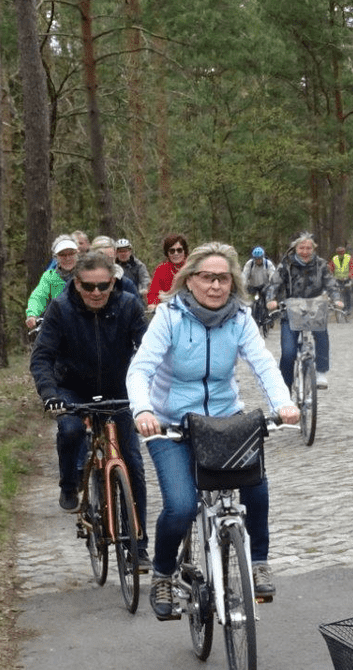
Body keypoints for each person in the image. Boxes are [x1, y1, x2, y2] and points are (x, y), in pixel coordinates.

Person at [126, 242, 300, 620]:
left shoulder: (240, 318)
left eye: (223, 278)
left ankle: (258, 561)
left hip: (225, 420)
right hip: (170, 423)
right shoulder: (169, 317)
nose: (216, 286)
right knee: (181, 506)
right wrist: (143, 410)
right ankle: (163, 573)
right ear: (189, 280)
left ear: (233, 282)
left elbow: (263, 364)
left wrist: (283, 403)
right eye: (207, 277)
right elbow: (140, 370)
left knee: (256, 487)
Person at [29, 251, 150, 569]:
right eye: (88, 286)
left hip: (118, 389)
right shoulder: (60, 308)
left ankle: (138, 545)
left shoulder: (128, 305)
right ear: (76, 283)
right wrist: (50, 394)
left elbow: (149, 349)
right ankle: (69, 484)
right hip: (73, 387)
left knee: (132, 461)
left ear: (112, 282)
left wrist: (150, 388)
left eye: (103, 286)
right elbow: (42, 357)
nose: (96, 293)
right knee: (70, 429)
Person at [266, 233, 342, 390]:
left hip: (315, 308)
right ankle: (285, 389)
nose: (305, 251)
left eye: (309, 248)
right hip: (291, 309)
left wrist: (336, 299)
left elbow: (331, 283)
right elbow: (274, 283)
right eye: (301, 248)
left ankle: (321, 372)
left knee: (321, 336)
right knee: (288, 352)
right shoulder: (286, 264)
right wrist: (271, 299)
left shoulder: (321, 264)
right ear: (295, 248)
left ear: (314, 249)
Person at [25, 236, 78, 329]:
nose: (67, 258)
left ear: (77, 254)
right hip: (58, 324)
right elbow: (39, 295)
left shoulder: (87, 273)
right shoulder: (49, 276)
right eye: (62, 255)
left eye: (71, 254)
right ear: (56, 257)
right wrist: (32, 314)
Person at [90, 236, 142, 305]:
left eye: (110, 259)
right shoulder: (83, 282)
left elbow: (137, 307)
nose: (107, 264)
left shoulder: (125, 283)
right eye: (101, 260)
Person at [146, 233, 189, 309]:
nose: (176, 254)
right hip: (168, 306)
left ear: (184, 251)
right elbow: (153, 293)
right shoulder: (161, 269)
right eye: (172, 251)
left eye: (179, 250)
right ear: (167, 253)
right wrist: (154, 304)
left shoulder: (192, 266)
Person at [328, 246, 353, 316]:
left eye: (342, 252)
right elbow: (330, 268)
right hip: (337, 279)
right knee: (339, 294)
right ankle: (341, 309)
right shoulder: (334, 259)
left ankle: (348, 309)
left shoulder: (348, 258)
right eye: (339, 252)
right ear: (337, 252)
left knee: (347, 294)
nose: (341, 253)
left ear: (344, 252)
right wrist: (330, 273)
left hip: (347, 279)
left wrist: (350, 275)